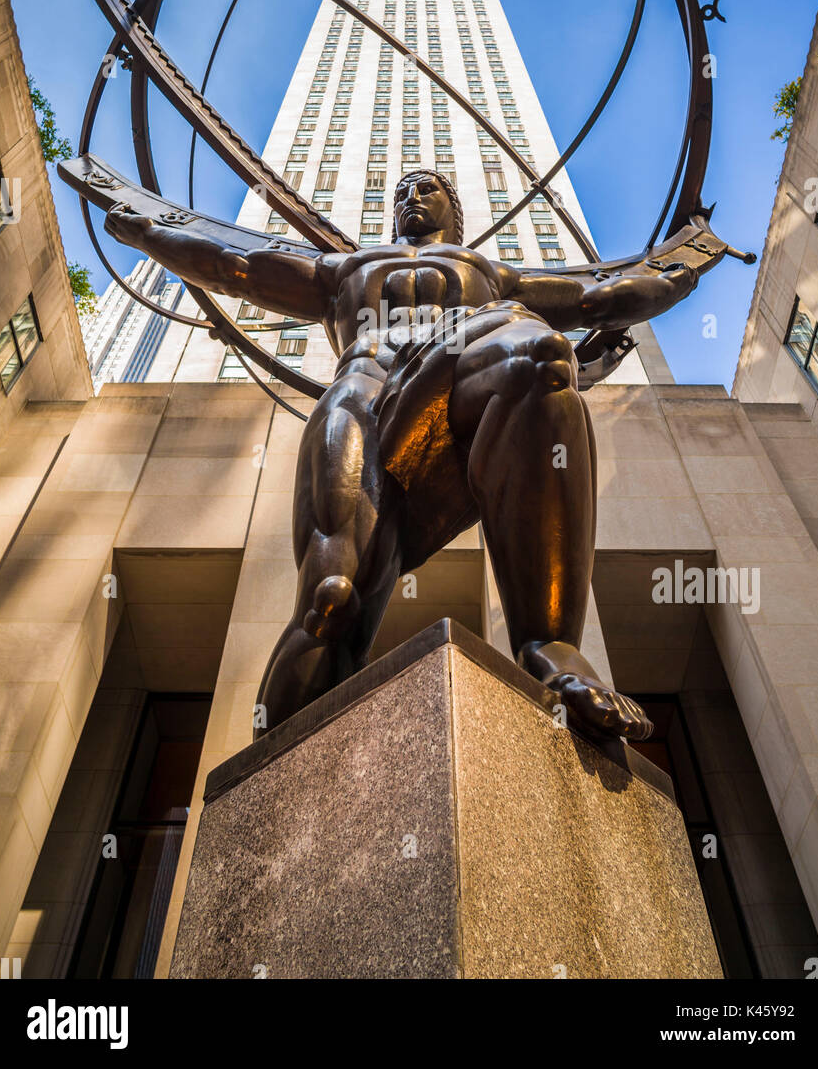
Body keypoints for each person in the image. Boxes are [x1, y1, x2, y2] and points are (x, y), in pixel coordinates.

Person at [107, 169, 697, 742]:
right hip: (364, 390)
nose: (413, 197)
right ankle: (268, 793)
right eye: (402, 193)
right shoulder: (346, 268)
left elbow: (599, 297)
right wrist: (147, 234)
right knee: (330, 602)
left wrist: (682, 270)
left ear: (454, 210)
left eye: (428, 189)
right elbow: (234, 266)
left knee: (540, 352)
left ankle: (552, 646)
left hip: (462, 360)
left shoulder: (490, 273)